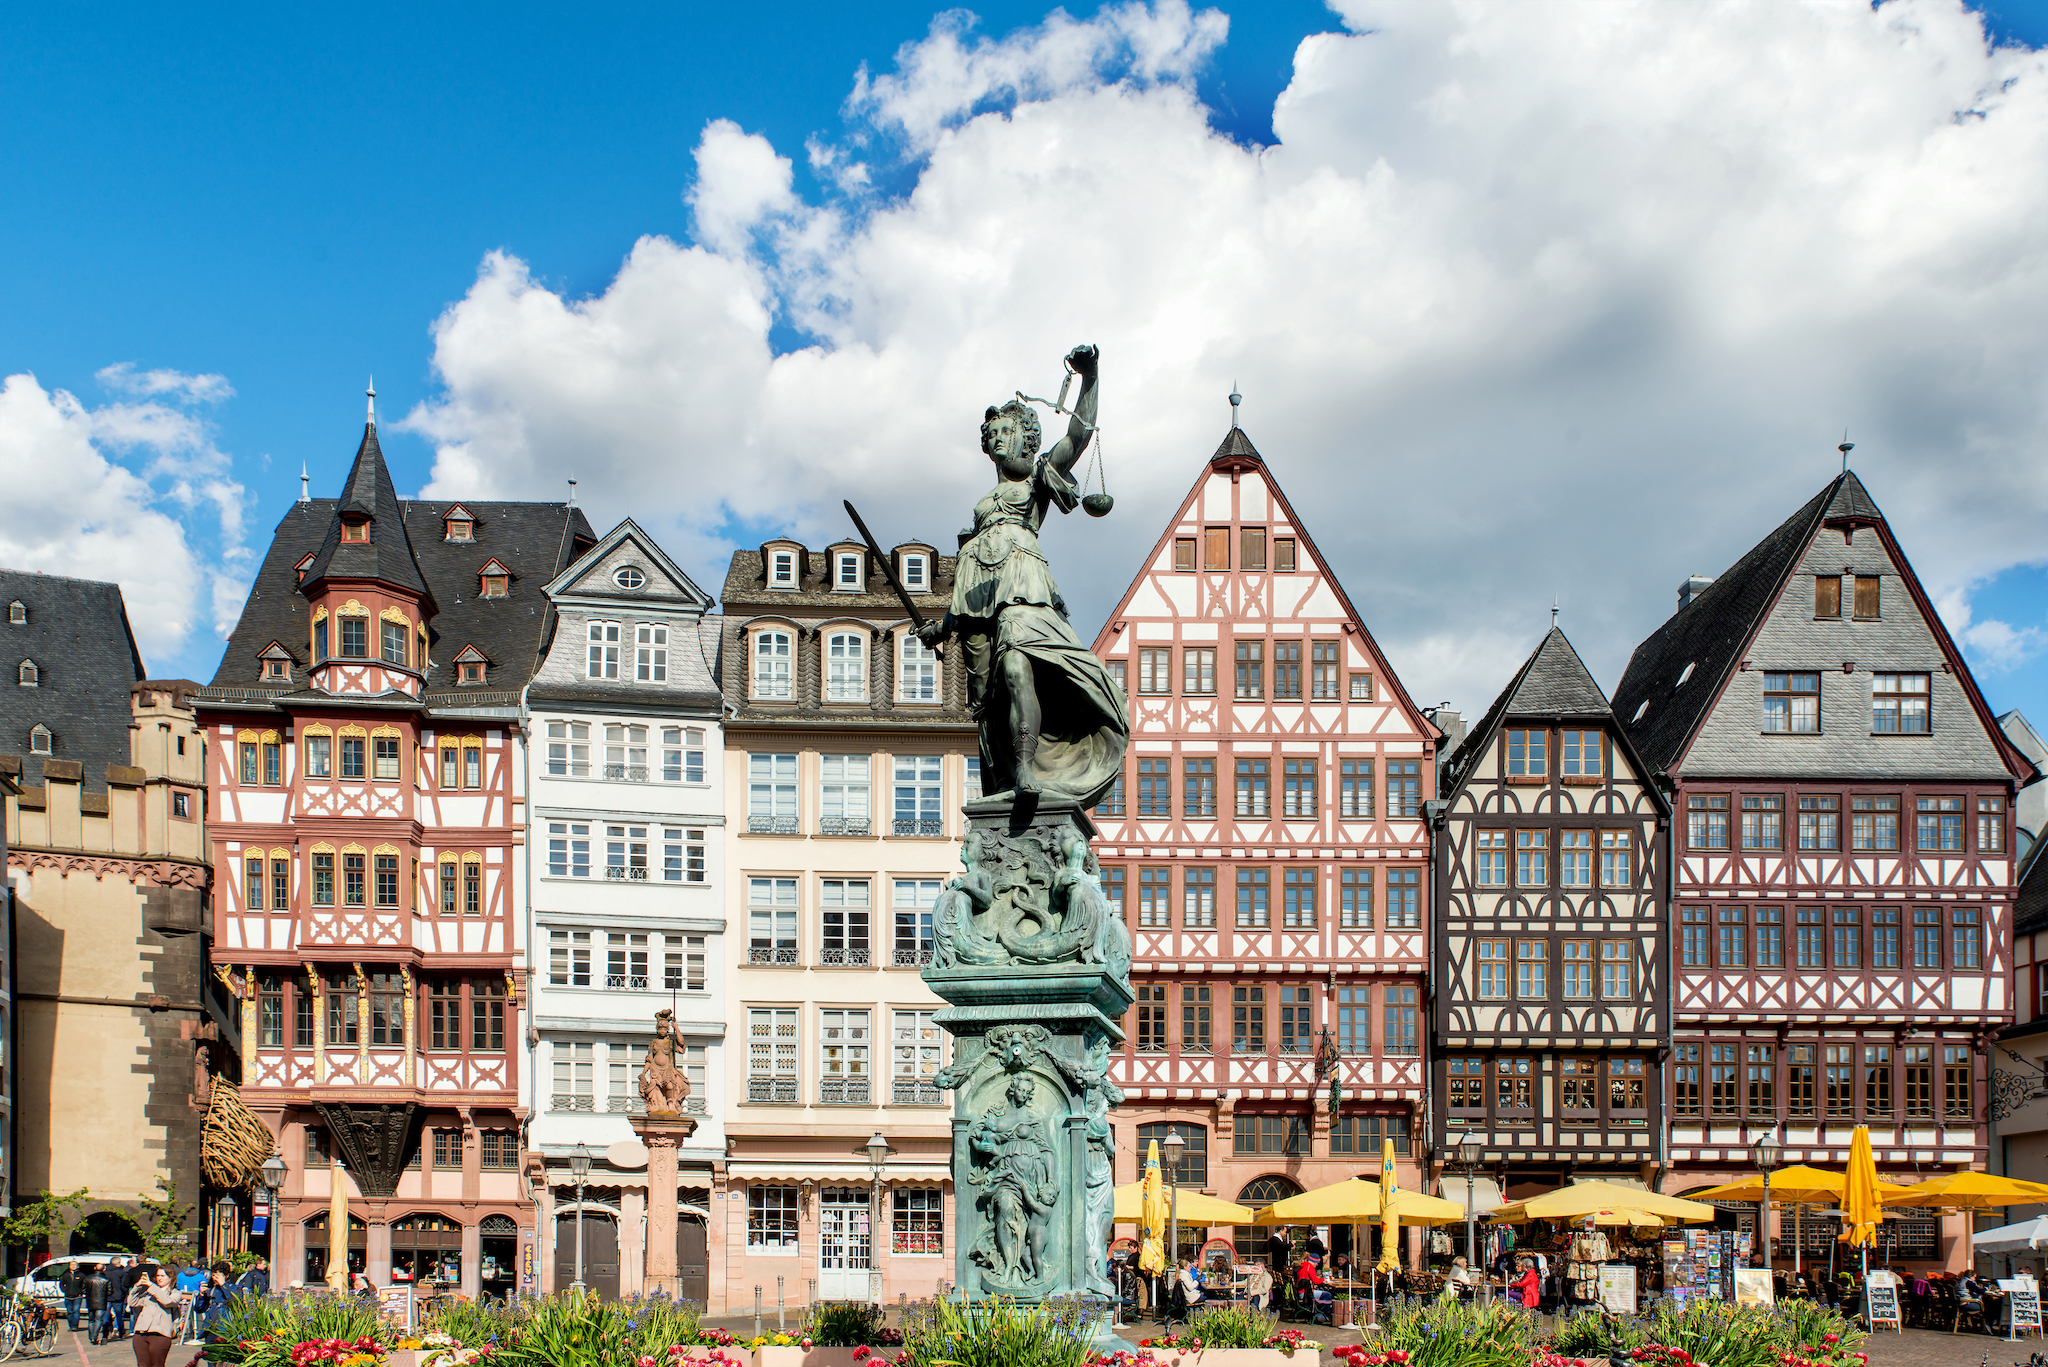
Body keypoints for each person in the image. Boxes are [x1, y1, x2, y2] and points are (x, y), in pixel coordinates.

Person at [914, 344, 1128, 806]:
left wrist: (1090, 379)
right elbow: (969, 591)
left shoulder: (1037, 480)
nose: (996, 442)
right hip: (977, 601)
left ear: (1025, 439)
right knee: (988, 706)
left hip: (1022, 586)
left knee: (1016, 665)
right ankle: (1004, 784)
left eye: (1004, 433)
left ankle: (1029, 770)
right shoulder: (981, 515)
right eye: (992, 435)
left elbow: (1080, 433)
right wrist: (944, 626)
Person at [126, 1264, 181, 1367]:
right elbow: (133, 1302)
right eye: (158, 1275)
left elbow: (167, 1302)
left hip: (160, 1334)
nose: (159, 1278)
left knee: (157, 1364)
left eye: (162, 1276)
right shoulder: (149, 1292)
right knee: (142, 1364)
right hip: (141, 1332)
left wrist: (152, 1286)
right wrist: (138, 1286)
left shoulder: (175, 1293)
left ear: (171, 1277)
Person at [1296, 1252, 1334, 1322]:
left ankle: (1319, 1312)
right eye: (1316, 1263)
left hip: (1301, 1292)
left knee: (1322, 1292)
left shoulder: (1302, 1267)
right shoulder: (1310, 1268)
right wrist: (1323, 1280)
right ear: (1314, 1262)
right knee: (1327, 1294)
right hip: (1306, 1294)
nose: (1317, 1265)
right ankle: (1322, 1314)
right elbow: (1315, 1280)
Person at [104, 1256, 133, 1340]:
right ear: (117, 1264)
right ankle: (120, 1332)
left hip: (107, 1297)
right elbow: (124, 1285)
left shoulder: (105, 1272)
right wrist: (125, 1294)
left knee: (106, 1316)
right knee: (119, 1315)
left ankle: (105, 1334)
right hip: (118, 1296)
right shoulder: (121, 1272)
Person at [83, 1264, 109, 1346]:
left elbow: (83, 1290)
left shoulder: (87, 1278)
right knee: (98, 1319)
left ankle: (91, 1336)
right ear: (103, 1269)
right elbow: (110, 1291)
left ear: (95, 1268)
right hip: (101, 1302)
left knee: (91, 1320)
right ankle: (94, 1336)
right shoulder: (106, 1279)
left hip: (90, 1301)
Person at [60, 1262, 86, 1333]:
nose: (73, 1266)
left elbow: (85, 1285)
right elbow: (62, 1284)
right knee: (70, 1312)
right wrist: (64, 1290)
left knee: (76, 1311)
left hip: (77, 1297)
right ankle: (71, 1325)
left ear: (78, 1266)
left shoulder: (82, 1275)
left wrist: (81, 1292)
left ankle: (75, 1326)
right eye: (72, 1265)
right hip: (68, 1297)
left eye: (75, 1265)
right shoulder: (65, 1275)